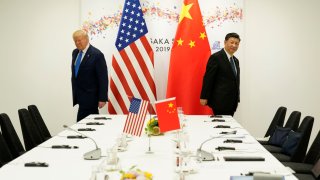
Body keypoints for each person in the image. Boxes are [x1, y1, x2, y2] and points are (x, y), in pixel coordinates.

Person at [71, 30, 108, 122]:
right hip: (79, 95)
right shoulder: (75, 53)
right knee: (88, 124)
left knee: (84, 124)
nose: (77, 43)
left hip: (91, 96)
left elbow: (103, 78)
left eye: (79, 40)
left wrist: (102, 98)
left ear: (87, 39)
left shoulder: (97, 54)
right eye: (75, 41)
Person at [200, 32, 240, 116]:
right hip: (219, 101)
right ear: (225, 42)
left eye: (236, 43)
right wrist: (204, 97)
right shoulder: (216, 57)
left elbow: (235, 81)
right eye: (231, 42)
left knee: (228, 126)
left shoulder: (236, 60)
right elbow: (208, 78)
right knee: (221, 126)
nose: (234, 45)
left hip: (232, 102)